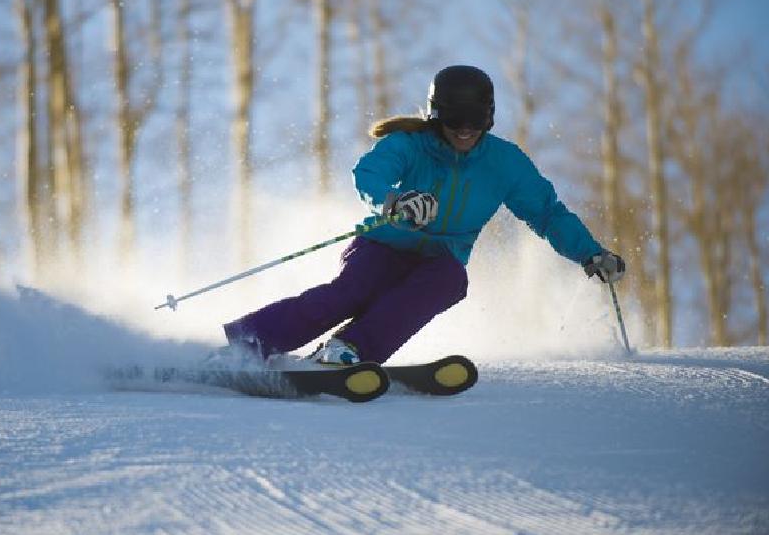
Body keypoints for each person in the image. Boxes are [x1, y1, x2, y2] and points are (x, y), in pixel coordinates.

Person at [223, 65, 625, 366]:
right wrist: (394, 202)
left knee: (452, 280)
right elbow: (369, 174)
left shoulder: (505, 163)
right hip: (384, 244)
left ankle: (348, 350)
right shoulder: (410, 145)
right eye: (455, 122)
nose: (465, 132)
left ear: (489, 118)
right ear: (437, 115)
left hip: (438, 260)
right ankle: (248, 344)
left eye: (476, 123)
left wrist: (589, 253)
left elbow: (547, 213)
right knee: (351, 295)